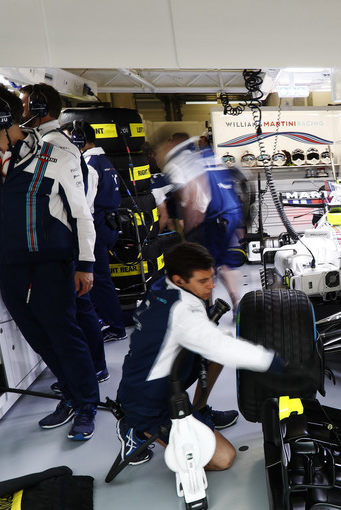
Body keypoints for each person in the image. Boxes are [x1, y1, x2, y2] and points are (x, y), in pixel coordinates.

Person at [115, 242, 285, 468]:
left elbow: (214, 341)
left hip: (162, 376)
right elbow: (220, 346)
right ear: (179, 280)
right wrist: (273, 362)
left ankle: (199, 409)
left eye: (211, 277)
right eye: (203, 281)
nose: (211, 285)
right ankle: (135, 428)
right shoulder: (182, 311)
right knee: (223, 458)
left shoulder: (163, 284)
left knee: (219, 344)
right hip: (147, 403)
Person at [0, 84, 99, 441]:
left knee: (64, 336)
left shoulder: (56, 157)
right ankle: (69, 394)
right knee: (39, 339)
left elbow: (82, 215)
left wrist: (86, 264)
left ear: (2, 119)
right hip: (10, 266)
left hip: (51, 265)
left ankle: (87, 403)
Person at [22, 84, 111, 391]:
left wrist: (83, 257)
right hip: (62, 243)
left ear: (37, 108)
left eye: (24, 105)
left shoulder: (54, 145)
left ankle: (94, 370)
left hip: (67, 243)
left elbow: (77, 205)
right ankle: (89, 369)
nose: (20, 112)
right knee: (76, 310)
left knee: (78, 311)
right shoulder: (44, 142)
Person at [157, 133, 245, 311]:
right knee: (224, 261)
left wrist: (191, 231)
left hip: (210, 217)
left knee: (202, 265)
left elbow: (190, 195)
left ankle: (208, 309)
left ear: (171, 144)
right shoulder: (207, 155)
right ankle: (237, 304)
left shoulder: (178, 163)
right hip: (231, 212)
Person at [71, 121, 126, 345]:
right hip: (110, 224)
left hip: (97, 226)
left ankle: (116, 326)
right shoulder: (104, 160)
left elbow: (85, 202)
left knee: (99, 280)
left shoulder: (90, 164)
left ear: (80, 139)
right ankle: (108, 320)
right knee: (101, 279)